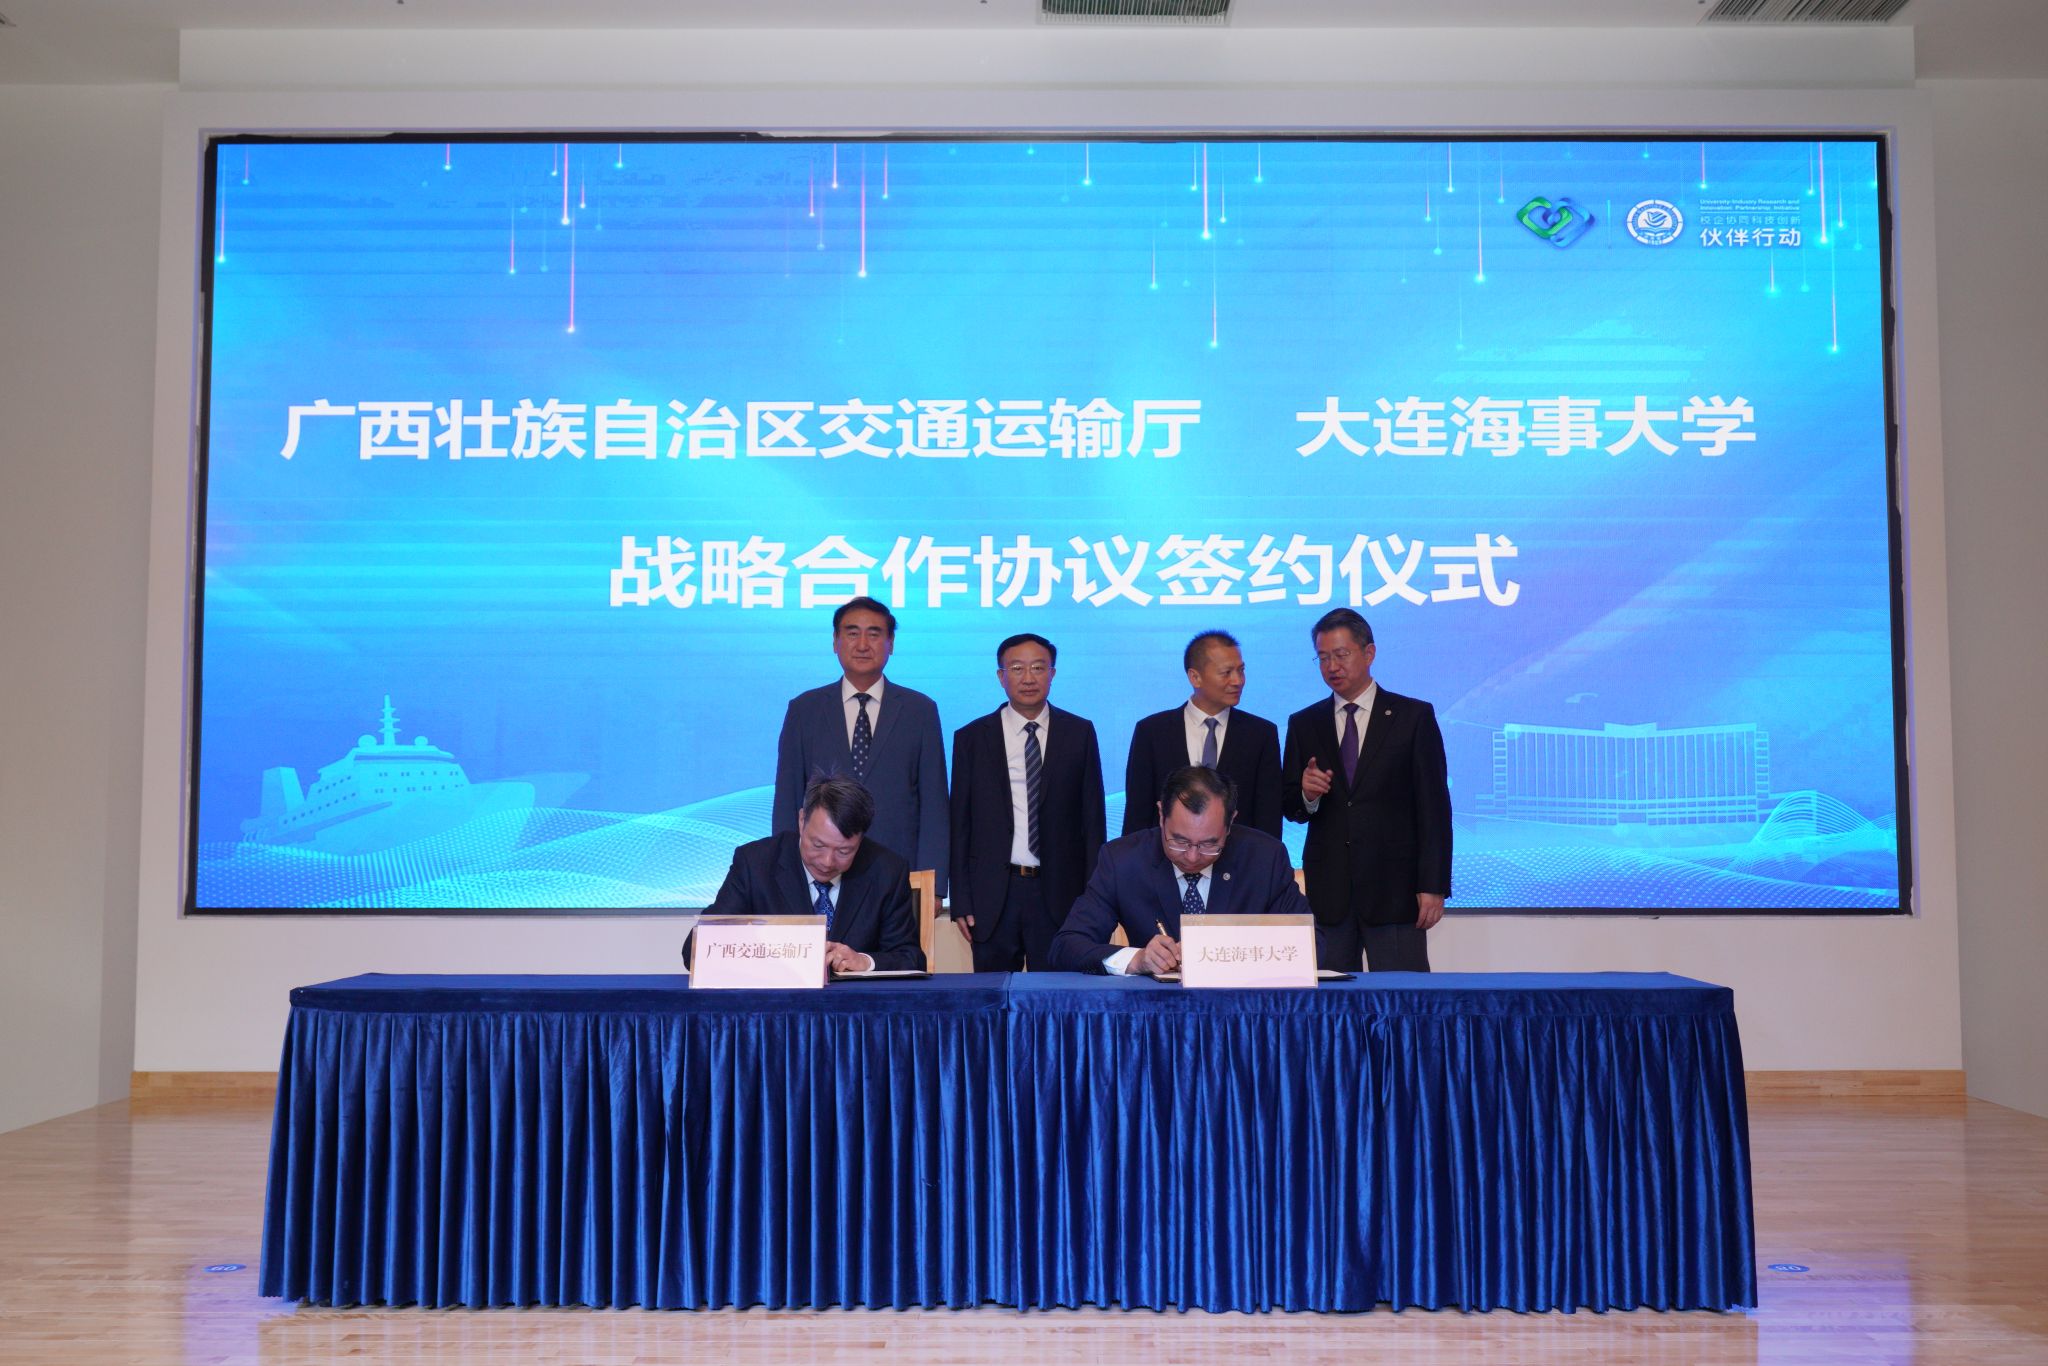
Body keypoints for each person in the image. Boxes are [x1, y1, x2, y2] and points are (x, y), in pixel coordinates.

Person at [1281, 608, 1452, 972]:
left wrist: (1433, 885)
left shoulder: (1412, 717)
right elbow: (1291, 807)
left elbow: (1434, 808)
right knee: (1330, 998)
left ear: (1369, 653)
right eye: (1323, 658)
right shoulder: (1304, 723)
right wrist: (1307, 796)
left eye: (1340, 655)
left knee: (1402, 998)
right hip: (1330, 893)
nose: (1332, 667)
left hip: (1396, 892)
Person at [1048, 765, 1310, 975]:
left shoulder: (1265, 858)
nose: (1193, 856)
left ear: (1230, 822)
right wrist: (1137, 959)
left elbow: (1310, 945)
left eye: (1209, 844)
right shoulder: (1123, 860)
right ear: (1161, 815)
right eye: (1179, 841)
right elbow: (1066, 946)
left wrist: (1228, 952)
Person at [948, 633, 1107, 972]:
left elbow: (1093, 821)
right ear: (1001, 676)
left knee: (1057, 994)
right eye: (1017, 668)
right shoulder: (971, 738)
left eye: (1038, 667)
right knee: (992, 995)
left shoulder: (1079, 733)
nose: (1028, 678)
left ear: (1052, 673)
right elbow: (960, 824)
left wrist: (1095, 899)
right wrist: (960, 898)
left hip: (1060, 892)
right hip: (993, 894)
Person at [773, 596, 949, 894]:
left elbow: (934, 804)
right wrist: (785, 876)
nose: (863, 644)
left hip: (897, 873)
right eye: (852, 633)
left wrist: (933, 885)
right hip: (820, 871)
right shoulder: (805, 709)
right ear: (835, 641)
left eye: (874, 634)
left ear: (891, 643)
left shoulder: (920, 710)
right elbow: (788, 798)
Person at [690, 776, 924, 974]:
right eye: (818, 845)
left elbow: (910, 957)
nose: (827, 862)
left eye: (844, 851)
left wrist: (865, 962)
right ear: (802, 821)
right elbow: (696, 950)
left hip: (855, 1009)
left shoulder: (886, 871)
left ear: (860, 839)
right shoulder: (756, 864)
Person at [1121, 630, 1284, 839]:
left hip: (1240, 858)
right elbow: (1137, 815)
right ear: (1195, 677)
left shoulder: (1261, 734)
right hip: (1166, 858)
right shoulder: (1151, 732)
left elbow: (1268, 819)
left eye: (1241, 670)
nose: (1238, 681)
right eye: (1226, 672)